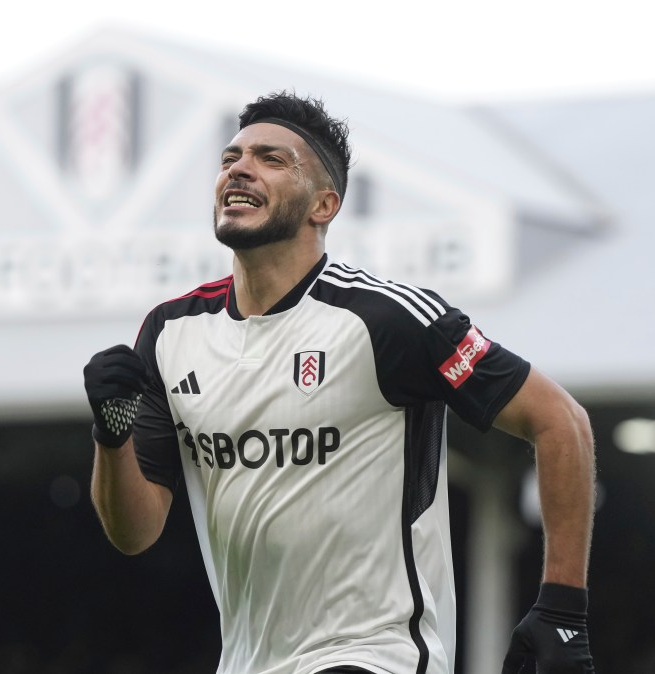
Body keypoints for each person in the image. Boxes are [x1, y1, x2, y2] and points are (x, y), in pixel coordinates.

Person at [83, 91, 596, 674]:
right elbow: (135, 532)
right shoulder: (171, 332)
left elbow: (562, 422)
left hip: (375, 655)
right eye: (231, 158)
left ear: (323, 205)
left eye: (272, 159)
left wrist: (562, 610)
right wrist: (110, 433)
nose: (240, 169)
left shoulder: (389, 319)